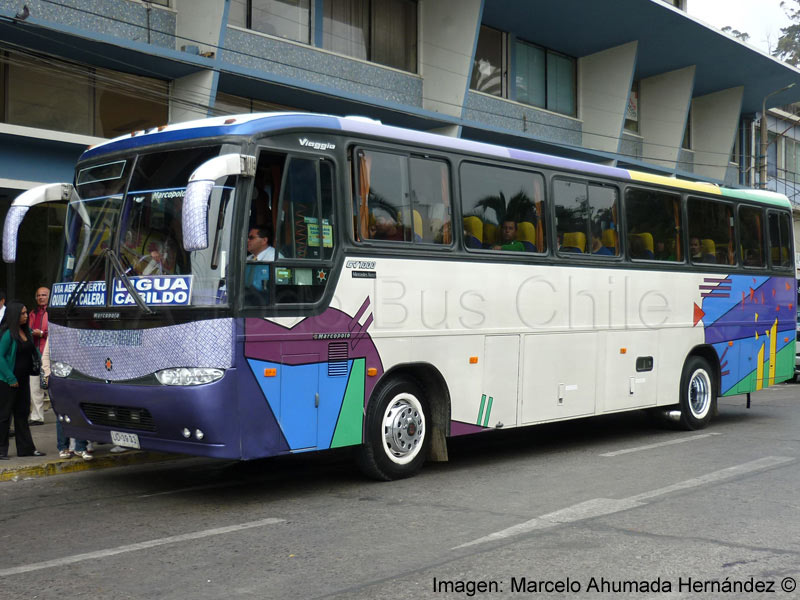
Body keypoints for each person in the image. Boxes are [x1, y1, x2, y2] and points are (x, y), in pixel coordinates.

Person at [0, 302, 45, 459]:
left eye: (26, 313)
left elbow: (33, 352)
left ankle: (26, 449)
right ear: (14, 315)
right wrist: (10, 378)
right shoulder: (8, 334)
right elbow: (0, 357)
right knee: (5, 416)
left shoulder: (26, 331)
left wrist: (41, 366)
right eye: (23, 313)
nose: (26, 316)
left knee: (22, 414)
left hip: (24, 380)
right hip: (8, 381)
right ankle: (1, 450)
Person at [41, 338, 92, 460]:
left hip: (79, 378)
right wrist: (48, 374)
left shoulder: (80, 333)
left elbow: (87, 354)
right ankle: (63, 447)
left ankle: (81, 447)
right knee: (62, 413)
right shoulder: (56, 332)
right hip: (60, 378)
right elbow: (46, 355)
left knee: (80, 413)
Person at [28, 286, 49, 426]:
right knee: (34, 385)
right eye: (39, 295)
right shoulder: (32, 313)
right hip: (35, 353)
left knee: (51, 384)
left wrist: (42, 333)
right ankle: (37, 416)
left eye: (44, 295)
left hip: (49, 353)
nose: (41, 297)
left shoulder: (52, 312)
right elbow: (27, 329)